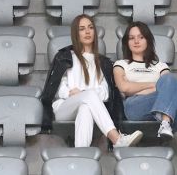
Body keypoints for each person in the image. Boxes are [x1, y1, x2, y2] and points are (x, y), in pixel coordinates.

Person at [41, 14, 143, 148]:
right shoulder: (65, 57)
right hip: (65, 107)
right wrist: (72, 94)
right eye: (82, 29)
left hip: (91, 106)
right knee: (88, 96)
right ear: (76, 34)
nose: (87, 31)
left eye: (90, 28)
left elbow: (106, 92)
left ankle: (80, 156)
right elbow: (58, 88)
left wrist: (83, 93)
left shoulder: (104, 63)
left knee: (86, 107)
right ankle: (117, 139)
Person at [113, 21, 177, 147]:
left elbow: (168, 86)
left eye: (141, 37)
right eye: (132, 38)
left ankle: (167, 124)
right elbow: (124, 87)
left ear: (148, 40)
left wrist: (137, 87)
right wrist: (155, 86)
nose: (136, 41)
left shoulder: (160, 66)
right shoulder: (121, 64)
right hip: (134, 106)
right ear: (127, 42)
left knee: (170, 81)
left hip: (158, 104)